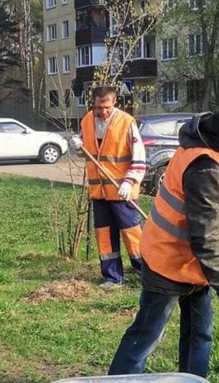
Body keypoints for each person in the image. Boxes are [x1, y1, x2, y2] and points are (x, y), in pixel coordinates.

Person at [108, 92, 219, 378]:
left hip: (196, 267)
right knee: (146, 336)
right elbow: (206, 239)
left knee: (199, 336)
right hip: (168, 261)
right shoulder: (206, 166)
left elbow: (217, 195)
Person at [75, 85, 147, 290]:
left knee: (133, 234)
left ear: (114, 102)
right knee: (104, 236)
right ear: (94, 104)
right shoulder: (87, 121)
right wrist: (77, 146)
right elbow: (89, 152)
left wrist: (130, 181)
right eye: (99, 107)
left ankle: (147, 274)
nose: (103, 112)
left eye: (106, 107)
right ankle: (112, 277)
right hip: (99, 192)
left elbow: (140, 158)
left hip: (123, 191)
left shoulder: (126, 122)